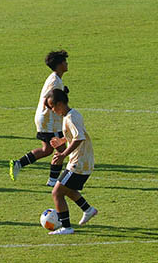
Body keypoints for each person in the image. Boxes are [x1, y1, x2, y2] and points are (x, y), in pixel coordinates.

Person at [10, 49, 69, 184]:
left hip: (45, 119)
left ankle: (18, 164)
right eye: (64, 62)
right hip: (49, 121)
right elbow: (48, 101)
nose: (67, 64)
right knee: (61, 149)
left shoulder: (55, 79)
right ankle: (53, 181)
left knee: (47, 149)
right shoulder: (55, 81)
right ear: (59, 65)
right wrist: (59, 109)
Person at [44, 88, 97, 234]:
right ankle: (88, 209)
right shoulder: (72, 115)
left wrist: (63, 154)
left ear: (60, 103)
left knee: (57, 192)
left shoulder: (71, 118)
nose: (53, 111)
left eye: (53, 107)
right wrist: (62, 140)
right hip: (82, 161)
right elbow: (75, 135)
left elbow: (79, 138)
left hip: (78, 163)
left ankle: (66, 227)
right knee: (67, 189)